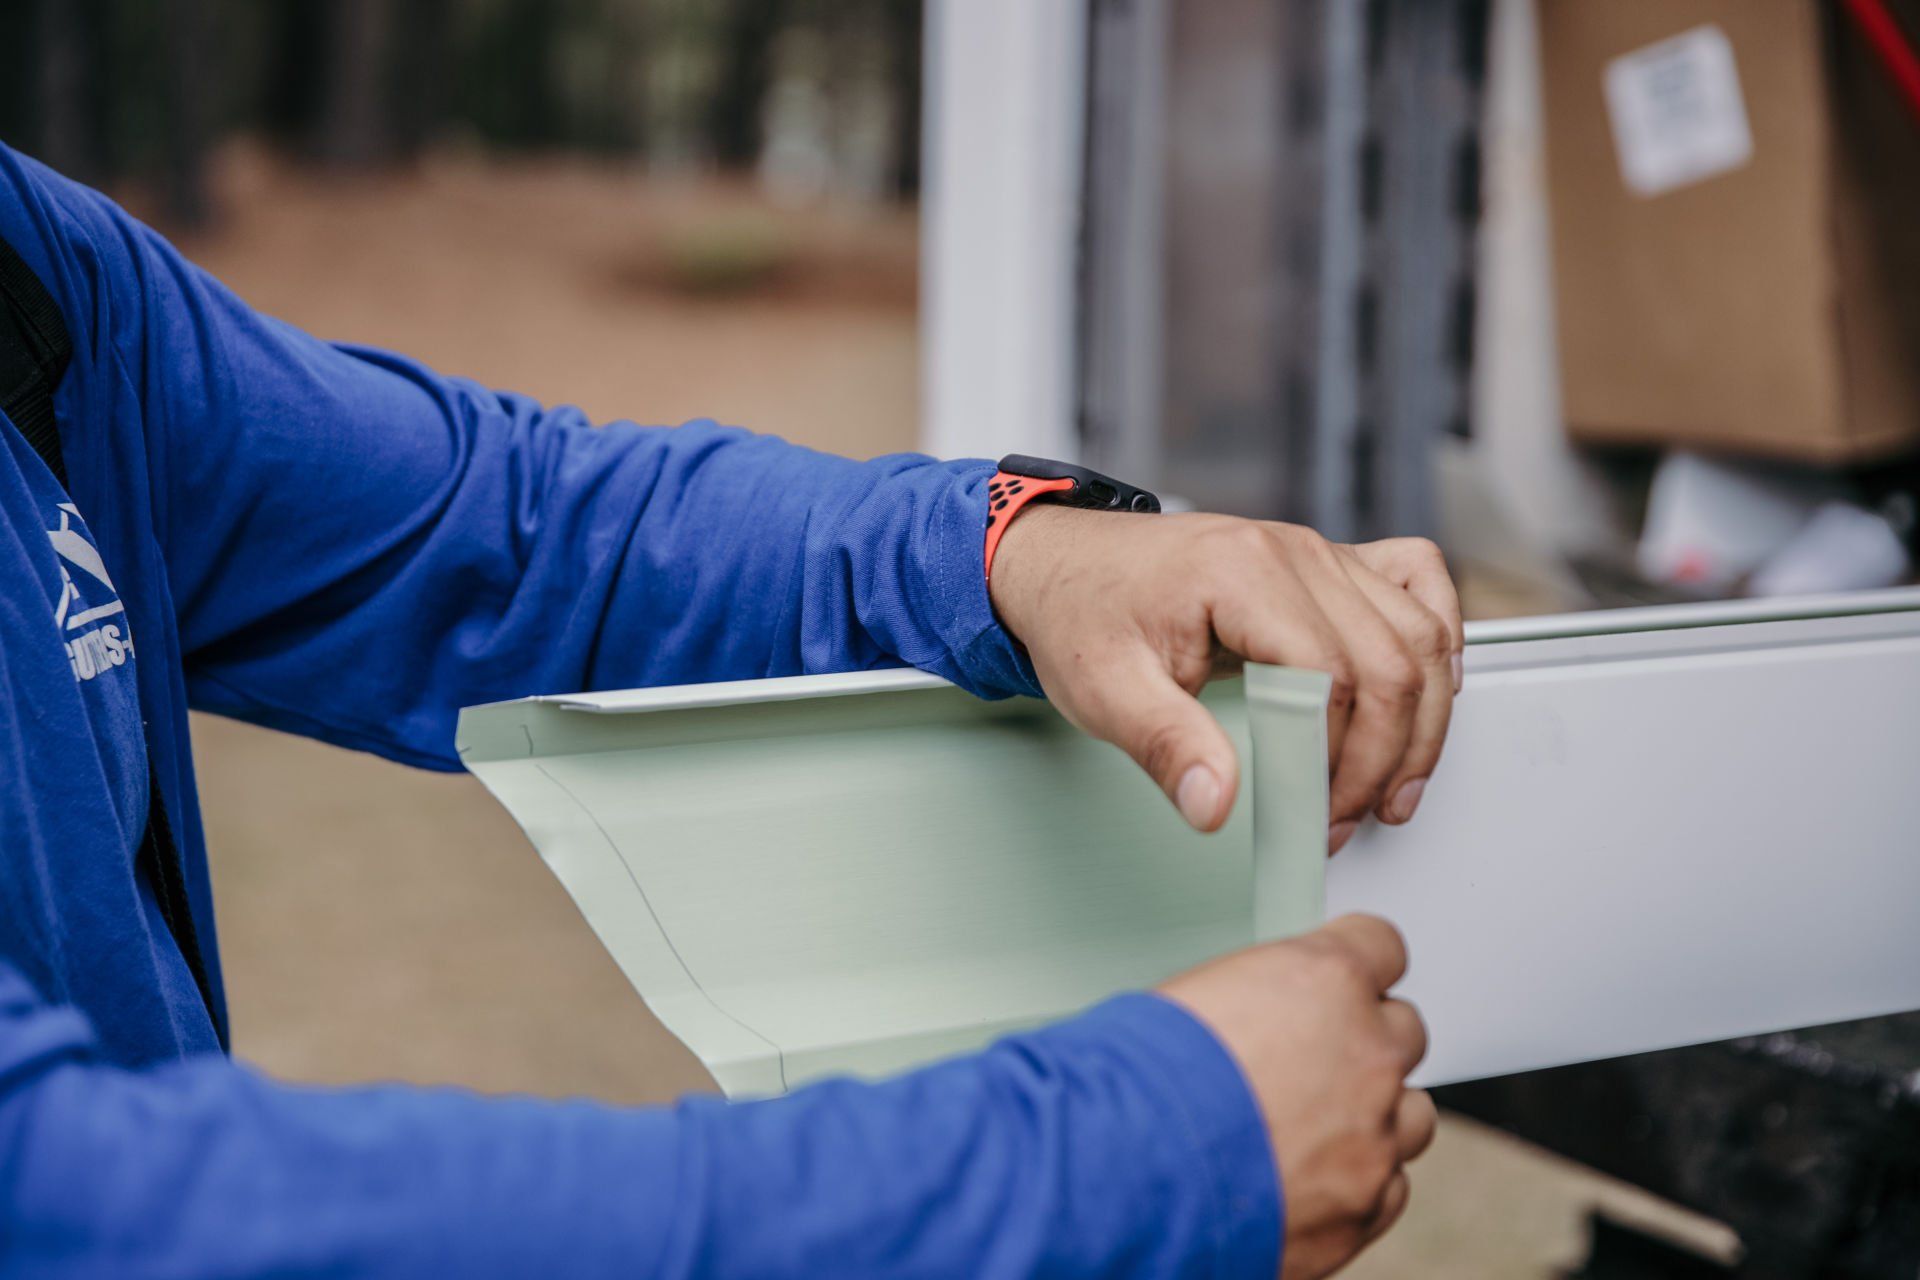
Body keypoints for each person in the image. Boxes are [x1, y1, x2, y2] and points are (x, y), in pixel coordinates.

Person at [0, 139, 1460, 1279]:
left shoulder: (32, 270)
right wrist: (1125, 1165)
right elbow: (81, 1206)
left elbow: (508, 534)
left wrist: (1012, 547)